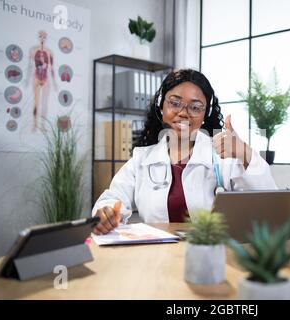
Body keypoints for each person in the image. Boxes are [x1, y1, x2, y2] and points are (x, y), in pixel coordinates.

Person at [91, 69, 277, 235]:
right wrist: (106, 212)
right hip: (156, 258)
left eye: (195, 107)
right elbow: (113, 198)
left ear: (205, 114)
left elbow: (268, 205)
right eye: (174, 103)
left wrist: (244, 153)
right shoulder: (142, 159)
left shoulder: (223, 157)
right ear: (161, 106)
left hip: (210, 255)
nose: (183, 113)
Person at [25, 30, 57, 132]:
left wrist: (55, 82)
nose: (42, 38)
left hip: (46, 78)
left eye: (44, 36)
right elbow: (30, 66)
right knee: (36, 102)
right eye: (40, 36)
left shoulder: (50, 52)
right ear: (38, 37)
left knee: (45, 103)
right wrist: (27, 79)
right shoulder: (33, 50)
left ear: (46, 38)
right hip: (36, 77)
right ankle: (34, 125)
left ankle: (43, 125)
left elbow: (51, 68)